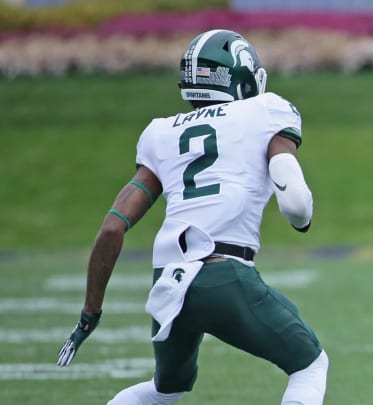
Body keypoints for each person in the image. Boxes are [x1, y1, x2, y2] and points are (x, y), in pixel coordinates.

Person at [56, 29, 328, 405]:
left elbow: (112, 227)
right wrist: (302, 221)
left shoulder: (161, 133)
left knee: (164, 391)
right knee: (309, 365)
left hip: (168, 283)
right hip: (223, 273)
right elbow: (295, 202)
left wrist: (90, 313)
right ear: (243, 75)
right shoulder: (265, 111)